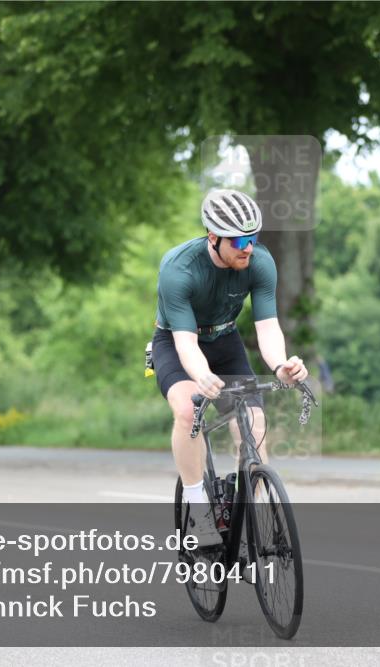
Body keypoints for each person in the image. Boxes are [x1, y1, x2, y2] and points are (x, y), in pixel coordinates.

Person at [150, 189, 309, 547]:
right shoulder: (179, 270)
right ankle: (197, 506)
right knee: (189, 409)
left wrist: (281, 366)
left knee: (253, 422)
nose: (247, 247)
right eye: (238, 240)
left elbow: (267, 328)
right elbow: (186, 343)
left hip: (225, 341)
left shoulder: (260, 263)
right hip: (177, 344)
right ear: (213, 237)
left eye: (252, 238)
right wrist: (201, 376)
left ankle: (257, 510)